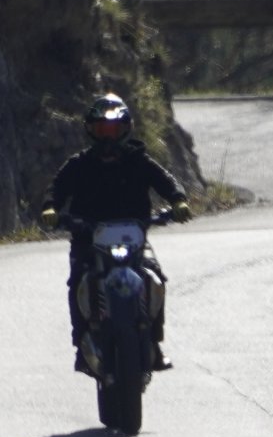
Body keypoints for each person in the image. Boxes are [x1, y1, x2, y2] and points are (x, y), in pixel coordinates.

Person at [42, 91, 188, 369]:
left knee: (155, 277)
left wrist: (178, 200)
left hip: (133, 239)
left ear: (125, 130)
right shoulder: (79, 164)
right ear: (91, 131)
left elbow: (166, 181)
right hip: (88, 239)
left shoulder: (139, 161)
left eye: (113, 130)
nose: (108, 137)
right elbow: (56, 187)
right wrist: (50, 207)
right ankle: (81, 344)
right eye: (102, 130)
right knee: (78, 282)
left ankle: (154, 343)